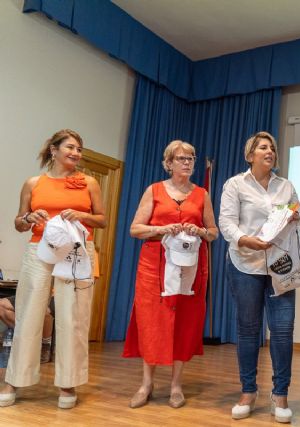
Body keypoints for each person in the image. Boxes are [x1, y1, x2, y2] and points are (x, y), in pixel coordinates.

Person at [0, 129, 106, 409]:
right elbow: (19, 223)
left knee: (74, 317)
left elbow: (102, 220)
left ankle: (68, 382)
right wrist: (28, 217)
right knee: (28, 314)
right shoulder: (33, 182)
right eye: (70, 147)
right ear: (53, 150)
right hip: (39, 249)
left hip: (76, 252)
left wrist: (82, 215)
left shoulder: (90, 183)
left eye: (79, 149)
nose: (76, 153)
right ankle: (14, 379)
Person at [122, 140, 218, 409]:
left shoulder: (201, 194)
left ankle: (176, 385)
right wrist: (162, 229)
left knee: (185, 322)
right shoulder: (153, 190)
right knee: (152, 320)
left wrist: (201, 232)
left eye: (191, 158)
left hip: (190, 265)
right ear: (168, 163)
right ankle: (146, 384)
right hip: (154, 265)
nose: (187, 162)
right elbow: (135, 229)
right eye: (181, 158)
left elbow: (213, 232)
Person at [219, 131, 300, 423]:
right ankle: (248, 391)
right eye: (263, 147)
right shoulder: (235, 185)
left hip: (280, 265)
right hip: (245, 264)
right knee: (248, 329)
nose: (270, 152)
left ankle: (280, 394)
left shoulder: (286, 185)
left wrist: (297, 217)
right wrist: (244, 239)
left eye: (272, 148)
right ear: (250, 155)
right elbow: (226, 223)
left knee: (282, 331)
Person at [0, 296, 54, 367]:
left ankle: (45, 346)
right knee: (1, 305)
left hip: (54, 294)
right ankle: (28, 343)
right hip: (28, 291)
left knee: (43, 309)